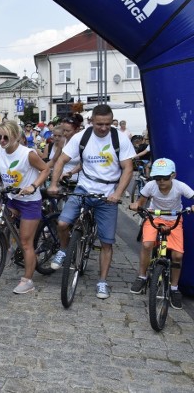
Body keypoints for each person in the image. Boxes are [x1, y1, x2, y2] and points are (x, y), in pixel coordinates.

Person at [47, 104, 135, 299]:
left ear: (111, 121)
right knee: (62, 222)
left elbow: (128, 168)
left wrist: (118, 193)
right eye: (98, 124)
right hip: (84, 188)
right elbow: (61, 160)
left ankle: (102, 281)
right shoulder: (82, 137)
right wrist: (54, 184)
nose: (103, 128)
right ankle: (63, 249)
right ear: (91, 121)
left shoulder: (119, 138)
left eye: (107, 124)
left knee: (106, 242)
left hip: (108, 193)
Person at [0, 120, 50, 294]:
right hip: (12, 198)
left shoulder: (28, 154)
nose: (1, 140)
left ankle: (28, 281)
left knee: (25, 242)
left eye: (5, 137)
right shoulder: (0, 150)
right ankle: (8, 250)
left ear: (16, 136)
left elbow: (46, 170)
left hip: (30, 201)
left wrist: (33, 186)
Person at [128, 158, 194, 309]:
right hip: (155, 218)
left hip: (174, 220)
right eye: (157, 178)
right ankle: (142, 276)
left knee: (177, 255)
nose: (161, 181)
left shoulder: (180, 186)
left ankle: (174, 288)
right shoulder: (151, 186)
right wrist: (136, 205)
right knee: (147, 244)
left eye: (165, 178)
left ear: (173, 175)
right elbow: (141, 201)